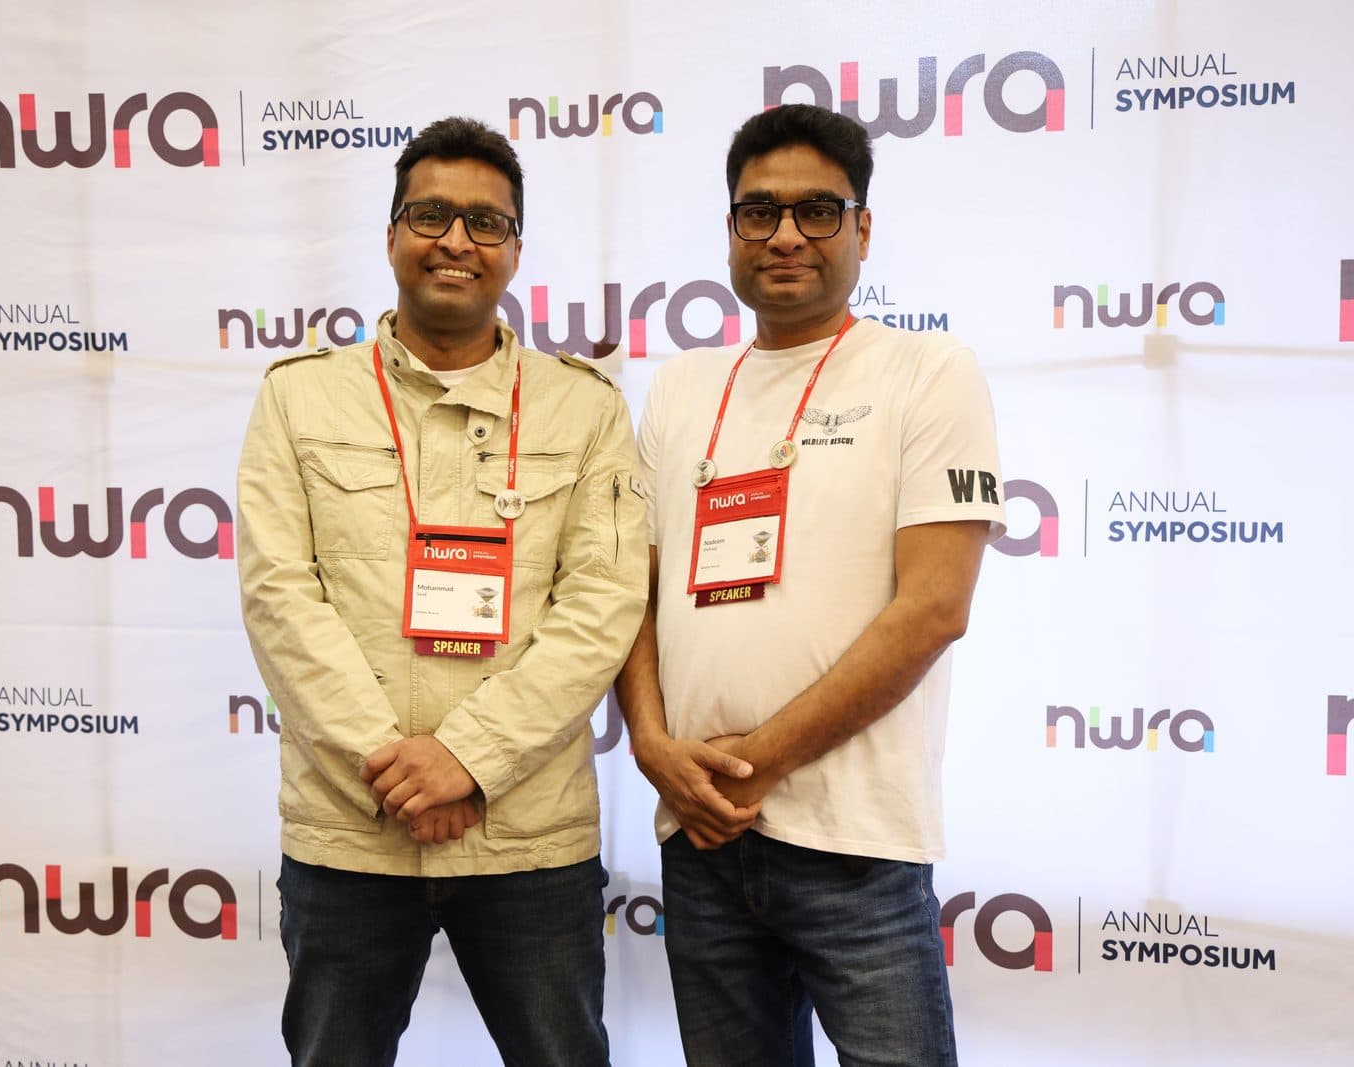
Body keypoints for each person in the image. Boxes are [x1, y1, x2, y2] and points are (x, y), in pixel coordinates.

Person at [237, 115, 647, 1067]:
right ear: (390, 235)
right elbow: (278, 598)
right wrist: (396, 768)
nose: (456, 240)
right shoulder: (299, 397)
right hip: (352, 830)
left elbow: (602, 606)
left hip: (529, 838)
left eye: (486, 223)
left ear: (513, 250)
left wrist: (467, 758)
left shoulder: (585, 408)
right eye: (431, 215)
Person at [615, 104, 1007, 1066]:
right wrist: (656, 748)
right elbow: (634, 593)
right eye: (759, 212)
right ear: (732, 230)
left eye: (818, 210)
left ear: (862, 228)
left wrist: (749, 764)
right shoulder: (679, 387)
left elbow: (933, 609)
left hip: (856, 846)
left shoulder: (928, 371)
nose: (786, 233)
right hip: (701, 844)